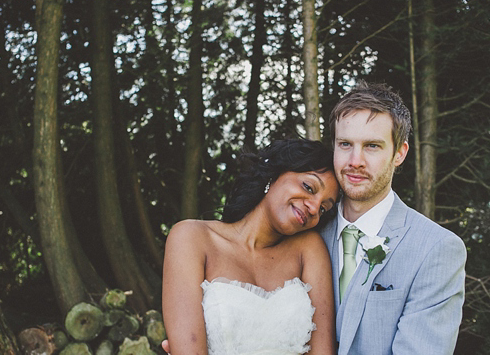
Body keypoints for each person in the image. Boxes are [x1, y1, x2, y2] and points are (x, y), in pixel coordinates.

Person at [319, 81, 466, 354]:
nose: (355, 160)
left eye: (372, 146)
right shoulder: (309, 231)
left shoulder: (436, 249)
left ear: (399, 153)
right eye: (345, 144)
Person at [162, 139, 341, 354]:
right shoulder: (192, 238)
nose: (313, 208)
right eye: (309, 187)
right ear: (274, 176)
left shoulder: (309, 250)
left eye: (323, 208)